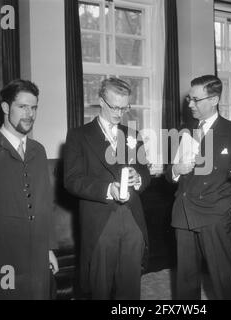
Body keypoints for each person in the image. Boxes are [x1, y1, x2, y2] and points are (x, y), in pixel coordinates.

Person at [0, 79, 58, 300]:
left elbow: (44, 204)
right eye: (22, 107)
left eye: (34, 107)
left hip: (36, 259)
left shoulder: (38, 150)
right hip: (1, 260)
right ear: (6, 108)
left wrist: (48, 249)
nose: (30, 114)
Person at [166, 75, 231, 300]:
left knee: (222, 279)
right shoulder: (184, 131)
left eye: (196, 100)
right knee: (185, 281)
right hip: (184, 214)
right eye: (189, 99)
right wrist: (176, 170)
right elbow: (169, 174)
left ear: (214, 99)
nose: (190, 104)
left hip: (216, 215)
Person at [64, 77, 151, 300]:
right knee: (100, 286)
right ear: (101, 101)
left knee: (130, 288)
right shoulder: (78, 136)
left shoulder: (133, 135)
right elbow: (72, 180)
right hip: (100, 219)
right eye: (115, 107)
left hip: (133, 218)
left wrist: (138, 178)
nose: (120, 113)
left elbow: (145, 173)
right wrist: (106, 188)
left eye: (125, 107)